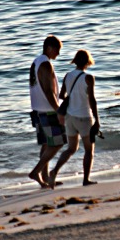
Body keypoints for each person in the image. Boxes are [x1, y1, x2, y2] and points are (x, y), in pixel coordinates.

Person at [49, 49, 100, 188]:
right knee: (89, 150)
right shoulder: (88, 78)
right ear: (88, 62)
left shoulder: (68, 75)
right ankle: (86, 180)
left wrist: (73, 99)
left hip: (70, 117)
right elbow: (92, 100)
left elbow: (61, 95)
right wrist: (97, 121)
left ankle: (54, 171)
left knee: (71, 148)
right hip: (84, 117)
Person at [28, 35, 67, 188]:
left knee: (46, 144)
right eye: (57, 50)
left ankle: (44, 177)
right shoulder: (45, 64)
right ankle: (36, 171)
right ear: (50, 48)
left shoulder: (37, 61)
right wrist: (58, 110)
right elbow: (48, 91)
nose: (58, 54)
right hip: (47, 110)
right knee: (58, 143)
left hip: (38, 109)